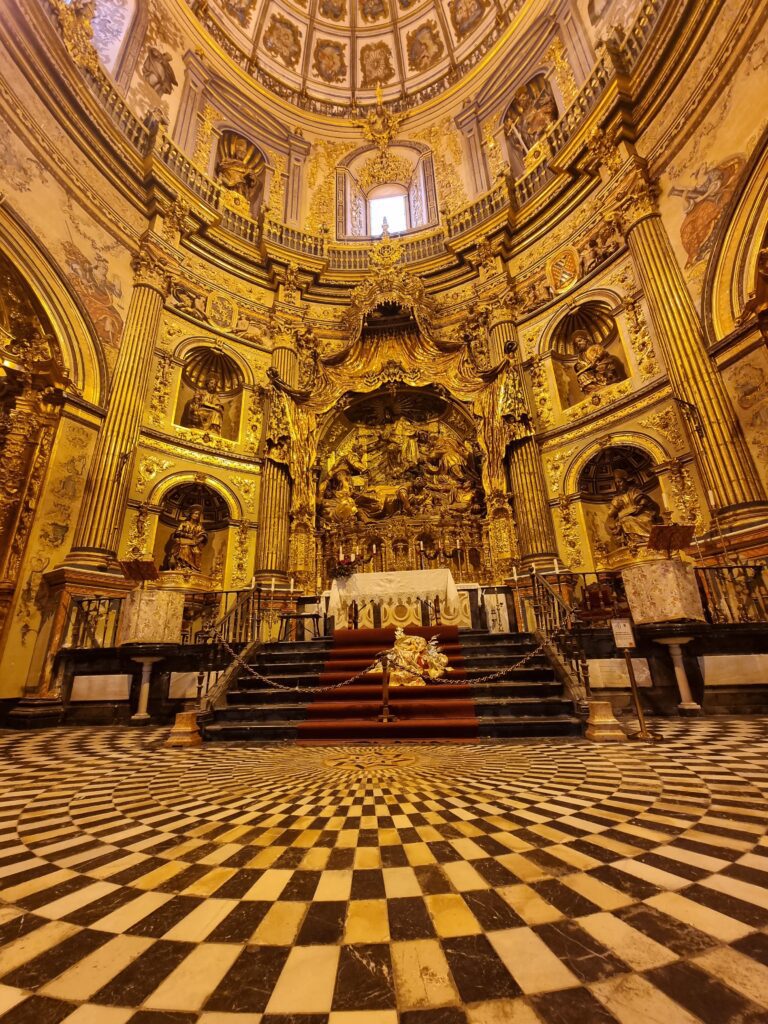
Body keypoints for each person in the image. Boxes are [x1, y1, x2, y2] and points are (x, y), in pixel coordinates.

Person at [605, 470, 662, 549]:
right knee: (627, 520)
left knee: (646, 519)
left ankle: (650, 540)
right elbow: (611, 513)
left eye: (620, 482)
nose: (618, 485)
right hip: (626, 517)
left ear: (625, 481)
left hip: (641, 513)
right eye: (616, 483)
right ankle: (636, 542)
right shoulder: (617, 498)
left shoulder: (634, 491)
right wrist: (616, 506)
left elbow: (644, 499)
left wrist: (641, 505)